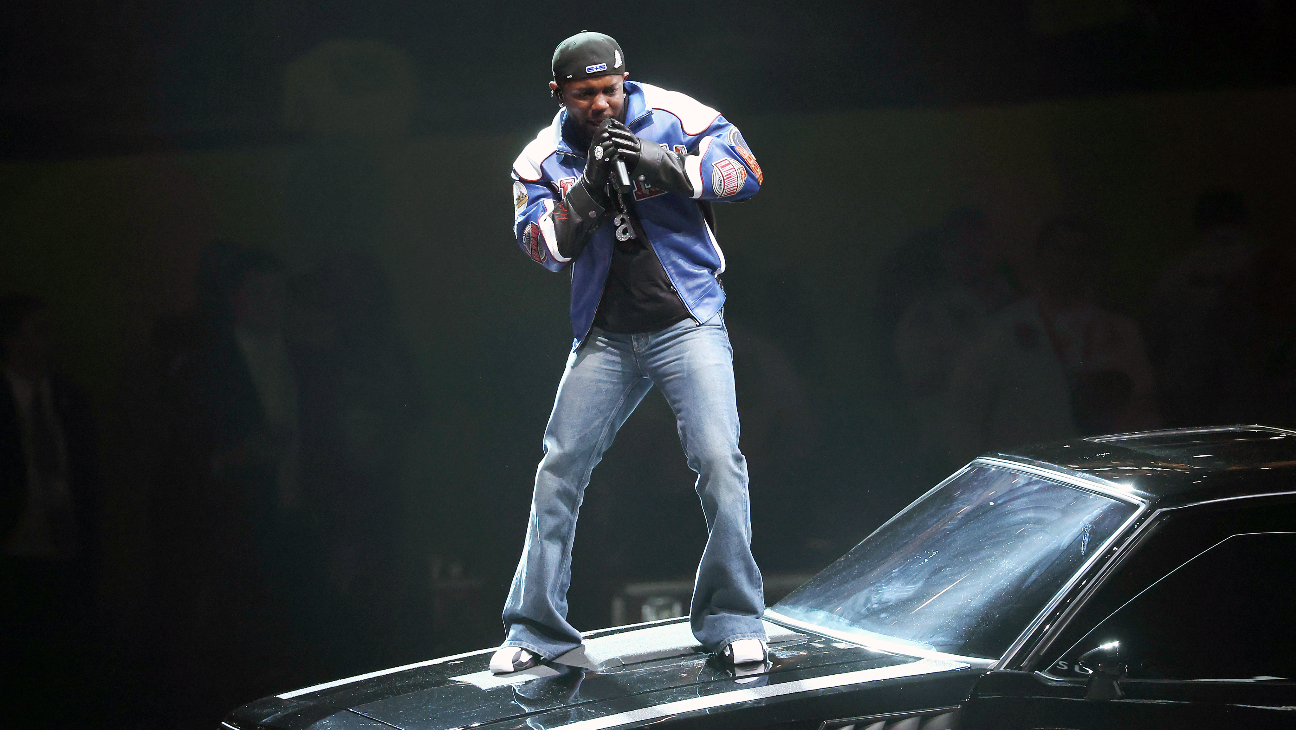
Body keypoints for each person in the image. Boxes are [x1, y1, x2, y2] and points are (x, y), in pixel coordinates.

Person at [494, 32, 767, 673]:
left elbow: (747, 175)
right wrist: (586, 194)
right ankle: (535, 630)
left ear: (625, 81)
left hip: (686, 323)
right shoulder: (540, 159)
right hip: (607, 335)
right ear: (559, 94)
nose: (600, 104)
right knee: (559, 469)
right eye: (584, 94)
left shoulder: (676, 115)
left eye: (610, 90)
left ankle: (734, 619)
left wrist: (663, 162)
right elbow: (543, 250)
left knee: (719, 462)